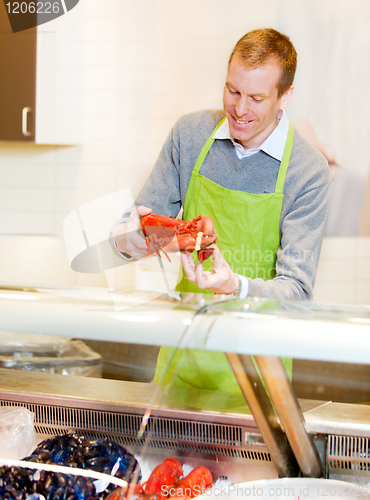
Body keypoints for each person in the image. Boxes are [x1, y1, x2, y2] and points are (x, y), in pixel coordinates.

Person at [114, 28, 331, 392]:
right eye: (233, 91)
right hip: (183, 366)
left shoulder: (307, 170)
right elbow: (137, 229)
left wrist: (233, 286)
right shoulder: (191, 134)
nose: (240, 109)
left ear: (285, 96)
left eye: (257, 98)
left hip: (259, 383)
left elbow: (296, 295)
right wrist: (133, 237)